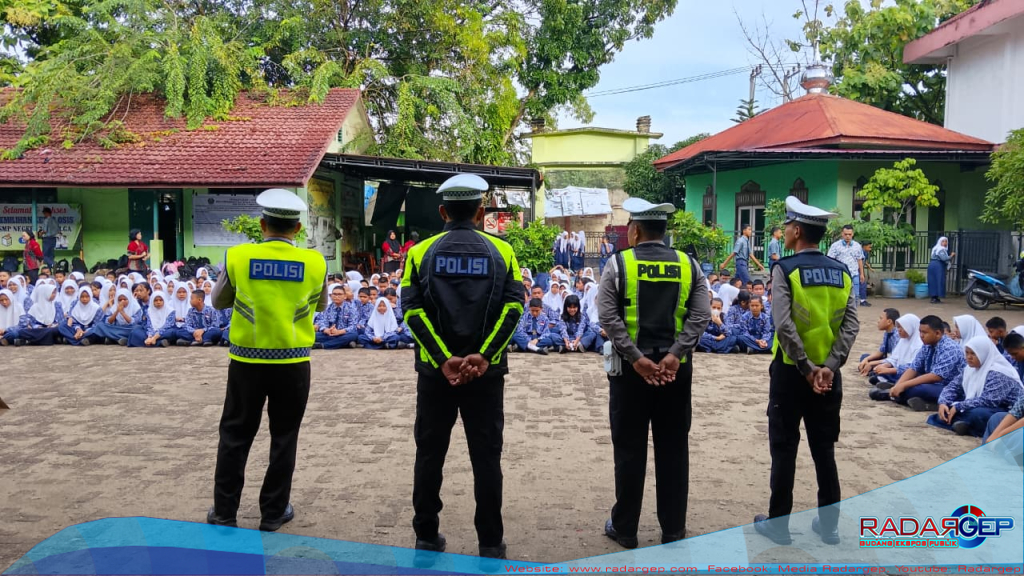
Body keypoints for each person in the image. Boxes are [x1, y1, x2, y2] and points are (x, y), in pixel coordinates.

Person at [402, 174, 524, 559]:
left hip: (435, 376)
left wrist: (444, 360)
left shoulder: (419, 253)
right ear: (480, 211)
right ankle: (490, 541)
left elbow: (412, 311)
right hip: (485, 376)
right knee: (486, 457)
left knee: (429, 454)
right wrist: (483, 356)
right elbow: (514, 309)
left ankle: (426, 535)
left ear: (442, 211)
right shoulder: (502, 252)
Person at [207, 188, 328, 532]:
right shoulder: (316, 262)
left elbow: (217, 302)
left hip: (246, 362)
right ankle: (274, 512)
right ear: (298, 229)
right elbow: (320, 306)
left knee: (234, 434)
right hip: (293, 363)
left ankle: (224, 512)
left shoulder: (238, 256)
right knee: (284, 436)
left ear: (262, 224)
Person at [597, 197, 710, 549]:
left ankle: (626, 529)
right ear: (665, 232)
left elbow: (608, 317)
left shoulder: (618, 264)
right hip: (675, 374)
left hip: (632, 374)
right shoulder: (689, 265)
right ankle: (673, 530)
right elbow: (701, 315)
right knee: (674, 448)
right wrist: (676, 355)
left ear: (634, 231)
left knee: (629, 449)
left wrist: (635, 358)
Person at [753, 196, 859, 547]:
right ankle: (829, 526)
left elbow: (783, 325)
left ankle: (779, 525)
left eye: (786, 226)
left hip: (790, 373)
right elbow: (850, 324)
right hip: (829, 378)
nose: (783, 231)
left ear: (797, 231)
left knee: (784, 450)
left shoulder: (784, 268)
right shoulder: (842, 271)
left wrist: (806, 367)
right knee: (824, 452)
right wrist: (828, 367)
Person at [927, 336, 1022, 437]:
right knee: (946, 411)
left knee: (979, 414)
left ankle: (968, 426)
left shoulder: (999, 372)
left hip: (1007, 411)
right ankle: (965, 425)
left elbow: (989, 400)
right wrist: (943, 402)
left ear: (983, 354)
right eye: (967, 353)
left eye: (973, 353)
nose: (968, 357)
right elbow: (952, 386)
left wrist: (959, 406)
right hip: (980, 406)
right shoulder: (969, 369)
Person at [881, 315, 965, 412]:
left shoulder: (950, 348)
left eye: (924, 332)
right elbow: (914, 368)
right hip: (933, 384)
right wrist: (899, 385)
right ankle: (899, 394)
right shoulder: (927, 345)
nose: (921, 335)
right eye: (920, 332)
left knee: (915, 389)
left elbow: (936, 376)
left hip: (949, 388)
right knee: (904, 382)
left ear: (937, 333)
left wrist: (904, 385)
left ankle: (895, 395)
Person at [870, 314, 924, 386]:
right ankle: (891, 383)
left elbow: (913, 367)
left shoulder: (919, 344)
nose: (899, 330)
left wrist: (888, 370)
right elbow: (894, 358)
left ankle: (894, 385)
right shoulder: (903, 341)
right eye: (898, 327)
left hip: (910, 374)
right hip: (898, 371)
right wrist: (884, 366)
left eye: (902, 327)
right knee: (877, 373)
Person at [827, 225, 864, 309]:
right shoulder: (835, 246)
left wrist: (861, 274)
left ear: (852, 234)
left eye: (849, 234)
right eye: (846, 234)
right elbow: (830, 260)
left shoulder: (857, 246)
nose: (848, 236)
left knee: (856, 295)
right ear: (842, 234)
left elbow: (859, 260)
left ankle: (853, 313)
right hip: (840, 275)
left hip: (854, 274)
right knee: (841, 295)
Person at [313, 283, 359, 350]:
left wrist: (339, 332)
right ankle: (343, 343)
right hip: (330, 334)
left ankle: (323, 345)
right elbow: (322, 321)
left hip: (343, 333)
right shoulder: (327, 308)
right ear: (331, 296)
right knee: (314, 335)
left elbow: (353, 326)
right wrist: (326, 330)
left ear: (345, 296)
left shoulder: (351, 308)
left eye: (339, 294)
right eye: (334, 294)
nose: (336, 296)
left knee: (354, 335)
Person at [857, 308, 900, 377]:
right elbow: (880, 352)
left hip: (893, 363)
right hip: (887, 359)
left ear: (889, 321)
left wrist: (871, 363)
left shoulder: (897, 336)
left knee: (882, 371)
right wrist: (866, 359)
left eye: (881, 318)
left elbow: (894, 360)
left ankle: (875, 373)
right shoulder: (887, 332)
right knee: (864, 357)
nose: (878, 321)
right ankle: (873, 371)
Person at [927, 237, 954, 304]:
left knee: (933, 281)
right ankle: (935, 298)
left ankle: (934, 297)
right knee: (939, 281)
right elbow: (944, 258)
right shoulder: (940, 249)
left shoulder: (935, 249)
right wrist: (951, 256)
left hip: (932, 265)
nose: (945, 243)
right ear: (940, 242)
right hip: (938, 266)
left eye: (946, 241)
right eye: (943, 241)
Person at [859, 240, 873, 307]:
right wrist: (862, 273)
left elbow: (865, 262)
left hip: (860, 270)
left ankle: (862, 300)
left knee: (862, 285)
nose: (870, 249)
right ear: (864, 246)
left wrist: (870, 268)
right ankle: (862, 300)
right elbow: (860, 262)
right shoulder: (860, 252)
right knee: (862, 284)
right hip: (857, 270)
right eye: (869, 247)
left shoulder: (866, 253)